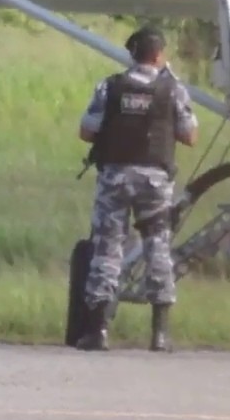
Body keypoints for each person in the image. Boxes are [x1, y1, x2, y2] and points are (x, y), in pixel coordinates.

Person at [75, 25, 197, 353]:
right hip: (155, 180)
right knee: (158, 248)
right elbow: (190, 135)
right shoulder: (173, 89)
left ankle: (98, 331)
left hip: (115, 177)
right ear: (158, 55)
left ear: (132, 54)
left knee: (107, 249)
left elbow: (86, 132)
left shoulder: (110, 86)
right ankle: (160, 335)